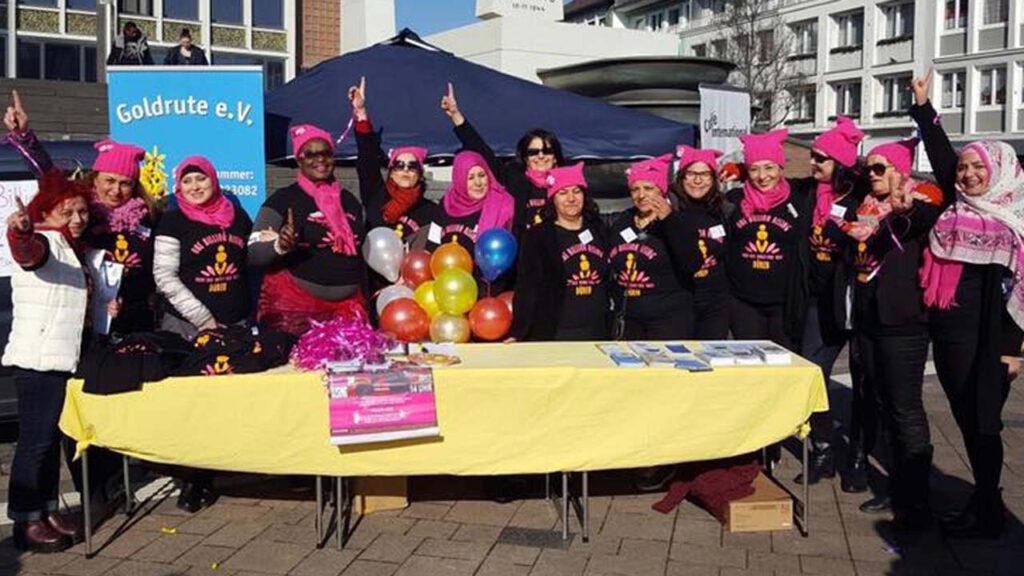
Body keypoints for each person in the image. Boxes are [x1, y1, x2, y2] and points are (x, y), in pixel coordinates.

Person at [910, 69, 1024, 539]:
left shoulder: (1012, 223)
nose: (970, 175)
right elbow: (940, 154)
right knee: (965, 418)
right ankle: (984, 501)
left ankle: (989, 508)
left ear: (1000, 172)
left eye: (980, 168)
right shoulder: (953, 209)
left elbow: (1018, 291)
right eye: (965, 168)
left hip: (988, 341)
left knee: (984, 424)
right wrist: (923, 107)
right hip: (951, 335)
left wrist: (1012, 349)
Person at [3, 171, 119, 552]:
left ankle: (47, 509)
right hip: (39, 360)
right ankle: (25, 520)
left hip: (63, 359)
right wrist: (20, 232)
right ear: (47, 212)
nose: (77, 218)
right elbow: (28, 252)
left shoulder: (75, 248)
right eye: (67, 211)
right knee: (35, 443)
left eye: (83, 211)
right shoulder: (47, 242)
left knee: (51, 440)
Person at [3, 90, 159, 335]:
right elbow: (49, 176)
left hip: (139, 321)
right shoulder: (81, 211)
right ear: (95, 178)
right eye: (109, 180)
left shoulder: (147, 215)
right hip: (87, 325)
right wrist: (25, 136)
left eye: (125, 183)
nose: (116, 190)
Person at [848, 137, 944, 531]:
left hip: (903, 322)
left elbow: (916, 222)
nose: (872, 176)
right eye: (869, 169)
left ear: (901, 171)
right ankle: (895, 488)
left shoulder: (918, 204)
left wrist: (903, 208)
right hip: (869, 319)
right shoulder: (864, 208)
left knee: (905, 408)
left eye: (880, 168)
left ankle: (916, 498)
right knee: (882, 403)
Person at [797, 117, 868, 487]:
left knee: (864, 384)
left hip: (853, 303)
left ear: (840, 163)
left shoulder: (859, 199)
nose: (813, 165)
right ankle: (823, 446)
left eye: (821, 159)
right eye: (812, 157)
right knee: (811, 373)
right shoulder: (811, 195)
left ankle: (856, 455)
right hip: (818, 301)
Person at [249, 124, 368, 336]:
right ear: (299, 159)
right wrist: (280, 245)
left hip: (347, 310)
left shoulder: (349, 201)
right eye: (310, 154)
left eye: (325, 153)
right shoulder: (283, 199)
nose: (319, 159)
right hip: (298, 313)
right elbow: (253, 254)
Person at [725, 129, 816, 349]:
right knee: (751, 365)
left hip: (785, 301)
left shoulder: (799, 196)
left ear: (780, 167)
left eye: (769, 167)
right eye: (754, 169)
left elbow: (835, 175)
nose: (762, 176)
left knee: (784, 364)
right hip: (743, 301)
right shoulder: (734, 199)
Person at [442, 83, 562, 234]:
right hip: (522, 254)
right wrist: (456, 115)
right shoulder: (514, 178)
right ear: (525, 157)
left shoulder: (567, 184)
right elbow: (482, 151)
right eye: (533, 152)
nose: (540, 156)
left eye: (547, 151)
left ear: (556, 156)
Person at [509, 162, 611, 341]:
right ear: (553, 199)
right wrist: (518, 331)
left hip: (597, 330)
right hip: (555, 330)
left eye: (576, 191)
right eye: (563, 193)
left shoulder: (598, 228)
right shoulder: (539, 235)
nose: (571, 198)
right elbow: (527, 286)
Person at [154, 157, 252, 340]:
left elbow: (251, 261)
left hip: (236, 322)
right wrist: (203, 318)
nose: (195, 187)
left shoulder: (238, 215)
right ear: (179, 186)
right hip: (186, 325)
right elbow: (164, 276)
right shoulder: (172, 221)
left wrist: (274, 244)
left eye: (201, 178)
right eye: (187, 181)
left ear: (213, 180)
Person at [607, 155, 700, 340]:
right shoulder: (622, 222)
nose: (641, 196)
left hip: (668, 320)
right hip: (630, 319)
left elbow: (692, 263)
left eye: (648, 188)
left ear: (661, 190)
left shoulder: (680, 220)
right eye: (635, 189)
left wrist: (669, 221)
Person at [420, 150, 516, 292]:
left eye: (482, 176)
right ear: (459, 178)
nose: (478, 183)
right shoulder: (445, 204)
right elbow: (431, 247)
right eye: (470, 177)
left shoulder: (503, 205)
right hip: (447, 288)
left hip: (489, 289)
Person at [350, 77, 432, 241]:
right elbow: (367, 160)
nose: (406, 170)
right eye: (399, 165)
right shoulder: (376, 195)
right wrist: (361, 114)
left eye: (413, 165)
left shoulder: (430, 210)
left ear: (420, 173)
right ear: (391, 172)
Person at [673, 146, 731, 340]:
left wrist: (742, 170)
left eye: (705, 174)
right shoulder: (670, 210)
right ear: (681, 177)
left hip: (716, 302)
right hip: (681, 300)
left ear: (714, 178)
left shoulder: (725, 210)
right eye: (691, 173)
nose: (698, 180)